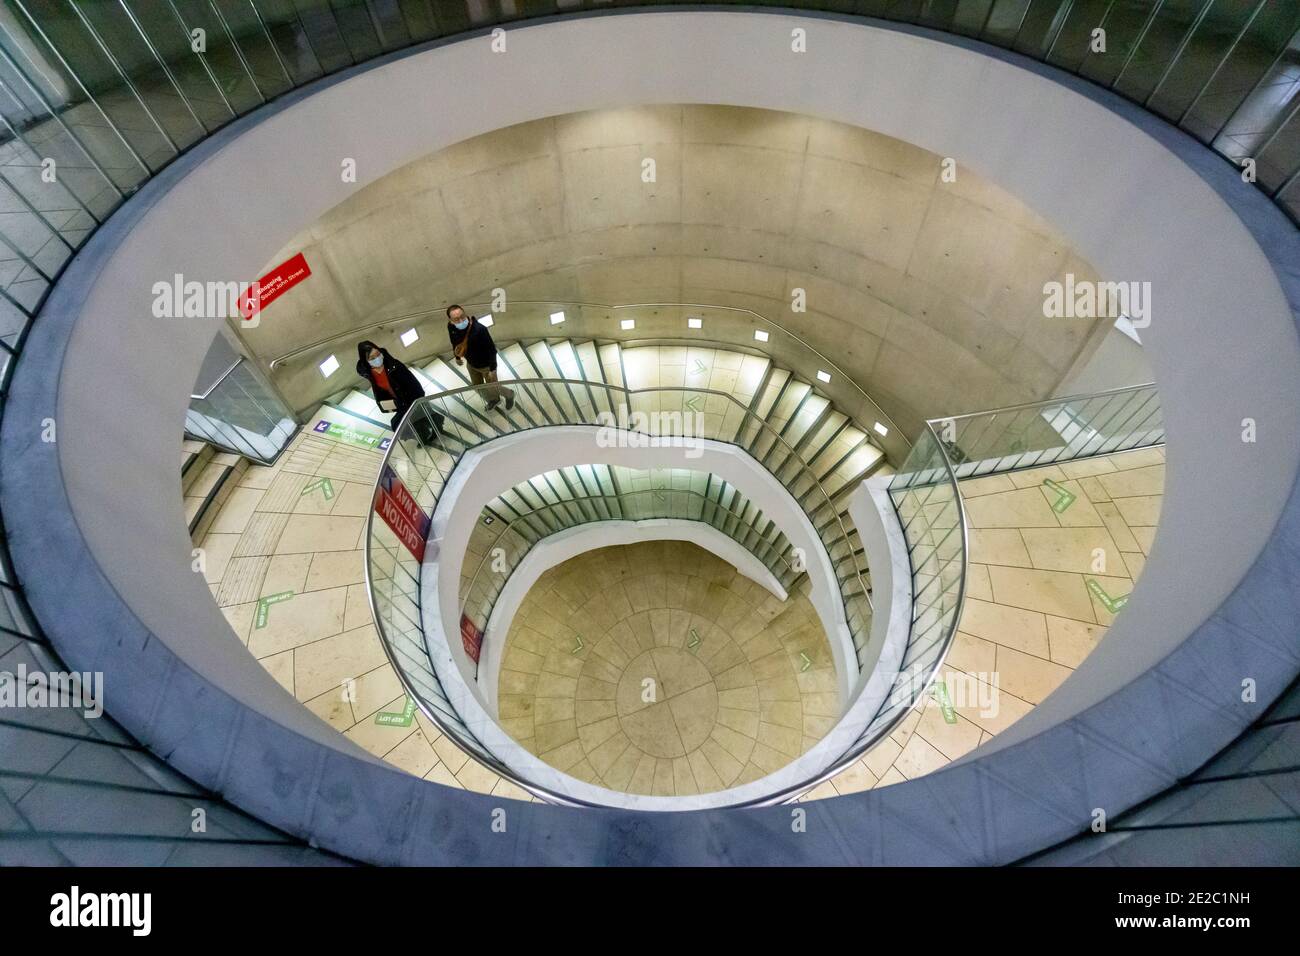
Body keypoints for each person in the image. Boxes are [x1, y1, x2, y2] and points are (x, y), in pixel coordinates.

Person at [355, 340, 443, 443]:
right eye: (372, 358)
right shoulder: (369, 373)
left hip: (412, 399)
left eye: (378, 354)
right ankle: (423, 433)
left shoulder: (394, 365)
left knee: (420, 417)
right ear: (366, 361)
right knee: (399, 425)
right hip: (398, 402)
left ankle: (435, 427)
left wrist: (417, 400)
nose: (377, 358)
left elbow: (413, 383)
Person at [446, 304, 514, 411]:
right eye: (456, 319)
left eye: (462, 317)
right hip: (471, 364)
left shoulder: (479, 329)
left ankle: (509, 394)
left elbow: (492, 350)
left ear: (465, 314)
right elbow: (454, 342)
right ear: (451, 320)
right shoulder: (451, 327)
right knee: (477, 387)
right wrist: (457, 357)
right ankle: (494, 400)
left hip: (486, 365)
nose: (460, 321)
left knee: (493, 387)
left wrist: (492, 369)